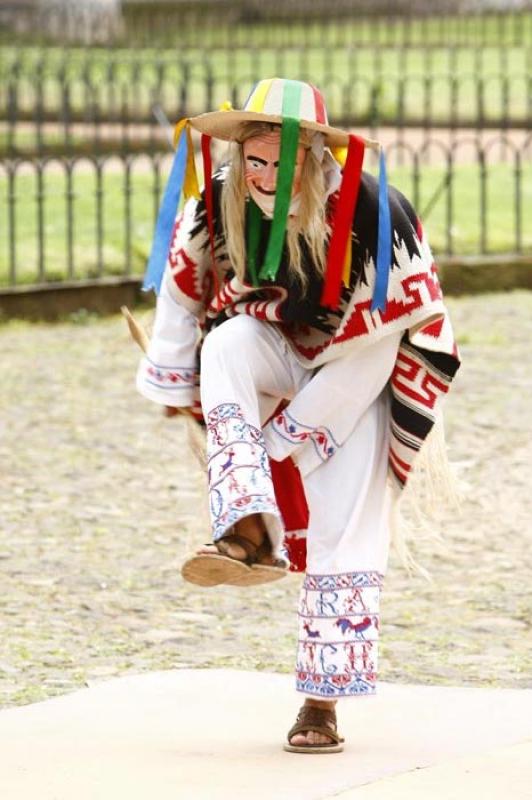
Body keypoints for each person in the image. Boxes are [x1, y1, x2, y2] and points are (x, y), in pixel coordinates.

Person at [135, 78, 460, 753]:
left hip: (362, 372)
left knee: (346, 529)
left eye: (278, 163)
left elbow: (386, 341)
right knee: (226, 343)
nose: (261, 176)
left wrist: (286, 439)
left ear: (313, 156)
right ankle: (247, 527)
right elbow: (182, 280)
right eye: (253, 160)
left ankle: (322, 702)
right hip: (282, 343)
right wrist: (172, 376)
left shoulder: (377, 213)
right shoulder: (220, 199)